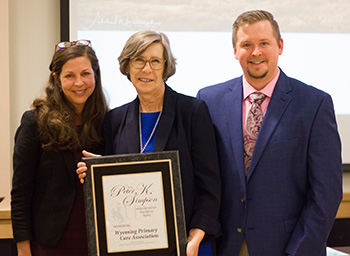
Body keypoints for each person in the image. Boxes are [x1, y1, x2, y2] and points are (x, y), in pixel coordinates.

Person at [197, 10, 343, 256]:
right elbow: (203, 181)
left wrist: (298, 252)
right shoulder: (209, 101)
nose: (256, 52)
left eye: (264, 43)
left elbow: (326, 193)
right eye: (247, 44)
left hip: (288, 248)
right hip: (225, 247)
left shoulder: (314, 104)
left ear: (280, 46)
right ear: (235, 51)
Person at [77, 30, 221, 256]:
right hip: (133, 246)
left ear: (166, 67)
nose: (147, 69)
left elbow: (210, 186)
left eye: (155, 61)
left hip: (187, 245)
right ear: (127, 66)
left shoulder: (192, 112)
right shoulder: (114, 119)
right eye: (139, 60)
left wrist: (195, 237)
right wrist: (97, 174)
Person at [11, 40, 108, 256]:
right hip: (50, 245)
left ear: (95, 75)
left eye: (85, 73)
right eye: (69, 76)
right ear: (56, 79)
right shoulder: (35, 122)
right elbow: (21, 192)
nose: (79, 82)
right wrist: (23, 249)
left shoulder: (108, 122)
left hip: (101, 243)